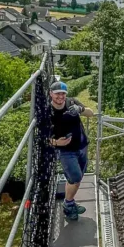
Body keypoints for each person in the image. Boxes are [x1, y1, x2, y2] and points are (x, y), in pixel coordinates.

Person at [49, 80, 95, 220]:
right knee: (75, 177)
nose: (60, 97)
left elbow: (91, 113)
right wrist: (57, 142)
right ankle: (68, 205)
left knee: (78, 176)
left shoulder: (71, 102)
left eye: (63, 94)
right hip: (66, 151)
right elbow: (43, 138)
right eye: (57, 94)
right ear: (51, 94)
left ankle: (70, 203)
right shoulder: (48, 112)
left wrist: (80, 109)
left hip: (82, 146)